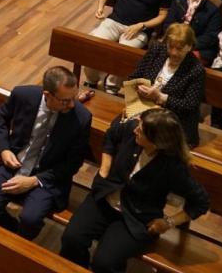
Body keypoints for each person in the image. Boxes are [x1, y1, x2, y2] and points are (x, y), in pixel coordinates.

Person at [59, 108, 208, 272]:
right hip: (105, 198)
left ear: (157, 142)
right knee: (71, 239)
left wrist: (168, 222)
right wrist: (104, 169)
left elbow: (200, 202)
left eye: (141, 131)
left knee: (104, 263)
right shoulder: (132, 130)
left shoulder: (173, 167)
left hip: (135, 218)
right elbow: (111, 135)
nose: (136, 129)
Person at [0, 67, 92, 241]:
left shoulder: (81, 117)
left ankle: (21, 245)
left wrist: (34, 180)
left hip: (47, 175)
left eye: (74, 97)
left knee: (30, 220)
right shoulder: (23, 95)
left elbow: (73, 162)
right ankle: (13, 234)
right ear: (47, 95)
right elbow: (1, 116)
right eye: (65, 100)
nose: (72, 104)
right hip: (15, 163)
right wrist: (4, 148)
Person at [86, 0, 172, 94]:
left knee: (125, 53)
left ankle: (112, 85)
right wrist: (101, 7)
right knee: (93, 45)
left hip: (138, 29)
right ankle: (92, 80)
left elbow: (162, 15)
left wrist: (142, 25)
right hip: (114, 21)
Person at [127, 23, 206, 145]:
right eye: (171, 47)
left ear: (189, 47)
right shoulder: (156, 50)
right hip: (143, 109)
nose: (173, 52)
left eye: (179, 48)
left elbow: (189, 106)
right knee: (122, 128)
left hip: (172, 123)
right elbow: (134, 77)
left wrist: (160, 97)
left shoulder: (196, 70)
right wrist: (140, 87)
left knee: (141, 135)